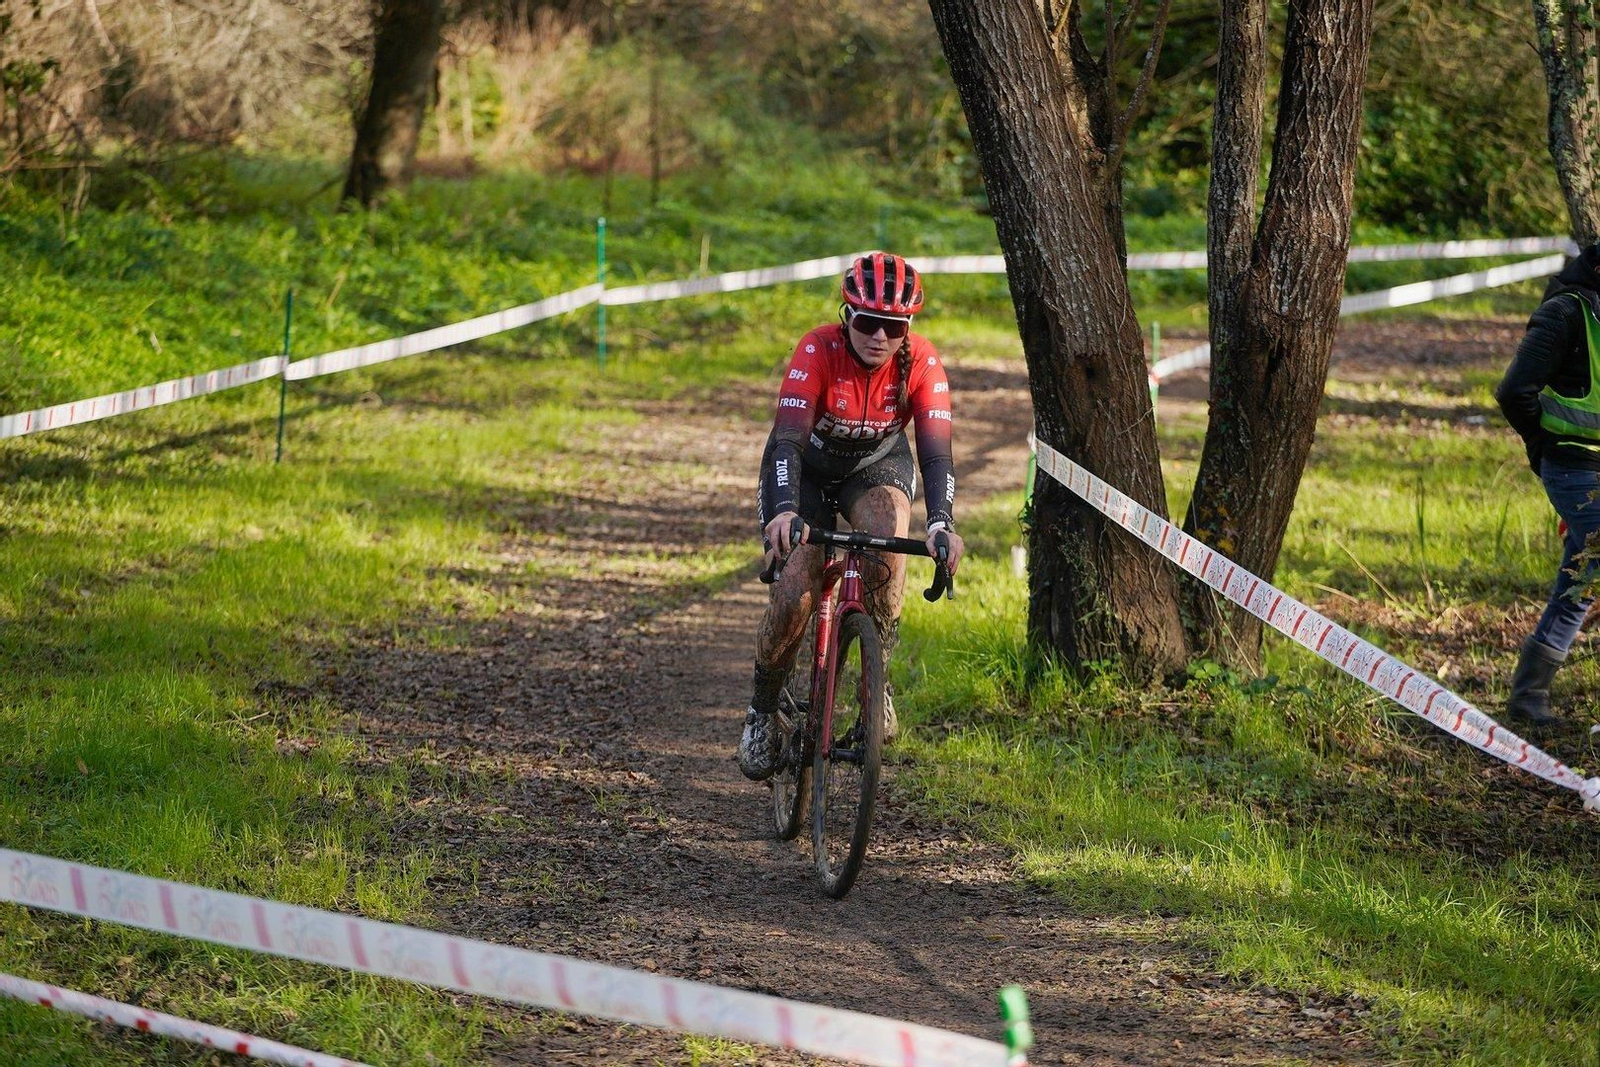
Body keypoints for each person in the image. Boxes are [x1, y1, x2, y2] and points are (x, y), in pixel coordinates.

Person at [738, 253, 965, 781]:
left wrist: (942, 523)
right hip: (807, 469)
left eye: (894, 326)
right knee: (796, 586)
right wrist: (785, 510)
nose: (879, 336)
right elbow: (788, 439)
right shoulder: (818, 349)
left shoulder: (922, 362)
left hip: (874, 466)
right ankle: (761, 707)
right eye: (867, 322)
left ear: (908, 328)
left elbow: (936, 455)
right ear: (847, 317)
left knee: (889, 544)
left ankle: (874, 684)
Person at [1495, 243, 1600, 730]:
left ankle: (1529, 695)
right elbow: (1514, 392)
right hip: (1574, 471)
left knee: (1582, 578)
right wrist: (1543, 448)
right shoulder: (1564, 313)